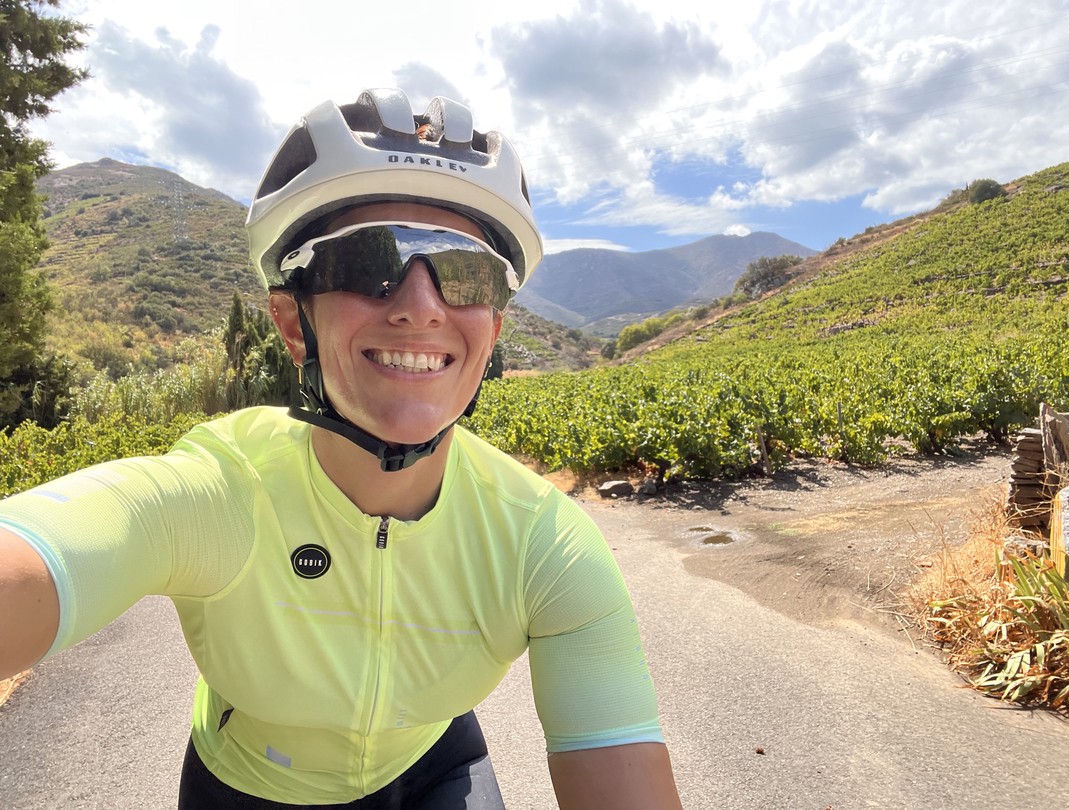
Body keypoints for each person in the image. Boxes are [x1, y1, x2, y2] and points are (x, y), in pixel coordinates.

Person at [0, 87, 683, 809]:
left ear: (492, 329)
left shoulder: (543, 542)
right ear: (294, 325)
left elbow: (619, 761)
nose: (421, 304)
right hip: (250, 782)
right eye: (367, 260)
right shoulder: (218, 493)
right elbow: (61, 544)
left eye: (465, 273)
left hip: (435, 764)